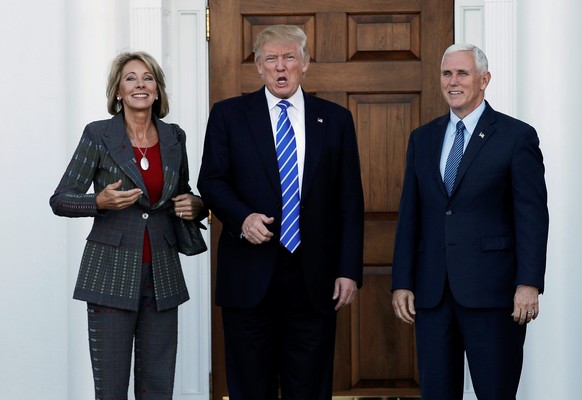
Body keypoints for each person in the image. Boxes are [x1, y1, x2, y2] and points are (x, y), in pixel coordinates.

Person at [197, 25, 364, 400]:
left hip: (315, 279)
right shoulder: (229, 115)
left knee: (309, 387)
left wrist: (348, 270)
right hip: (249, 275)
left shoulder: (335, 120)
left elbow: (349, 200)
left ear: (305, 63)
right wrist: (242, 218)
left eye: (289, 57)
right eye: (271, 59)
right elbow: (212, 181)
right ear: (258, 67)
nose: (280, 67)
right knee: (251, 388)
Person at [391, 43, 549, 399]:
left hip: (493, 294)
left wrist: (529, 283)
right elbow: (411, 213)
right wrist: (402, 281)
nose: (453, 81)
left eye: (462, 73)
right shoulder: (423, 138)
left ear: (484, 79)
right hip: (433, 295)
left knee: (495, 391)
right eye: (447, 73)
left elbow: (532, 216)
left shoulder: (516, 136)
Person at [50, 51, 206, 400]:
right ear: (118, 91)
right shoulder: (98, 134)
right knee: (111, 386)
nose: (140, 84)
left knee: (158, 384)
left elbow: (182, 192)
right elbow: (60, 199)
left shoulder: (173, 137)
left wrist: (198, 206)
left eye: (147, 78)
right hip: (109, 273)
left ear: (157, 89)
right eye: (131, 78)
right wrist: (98, 202)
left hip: (162, 273)